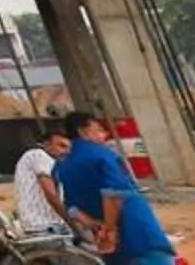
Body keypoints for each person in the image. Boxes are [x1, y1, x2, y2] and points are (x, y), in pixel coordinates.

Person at [56, 112, 175, 265]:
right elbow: (112, 193)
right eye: (97, 130)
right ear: (82, 131)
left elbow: (71, 208)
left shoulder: (63, 166)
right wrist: (110, 230)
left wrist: (97, 226)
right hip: (137, 232)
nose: (103, 135)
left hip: (110, 249)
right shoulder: (103, 155)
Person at [13, 123, 72, 241]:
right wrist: (71, 221)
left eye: (69, 148)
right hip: (45, 226)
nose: (67, 151)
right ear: (47, 145)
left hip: (43, 225)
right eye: (62, 146)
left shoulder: (52, 162)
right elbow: (51, 195)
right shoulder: (40, 155)